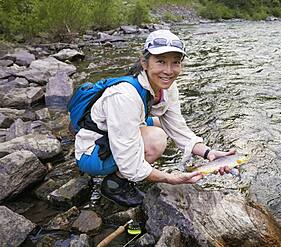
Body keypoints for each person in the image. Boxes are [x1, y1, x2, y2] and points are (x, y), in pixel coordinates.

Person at [74, 29, 235, 206]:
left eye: (175, 63)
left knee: (160, 123)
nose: (168, 71)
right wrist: (171, 178)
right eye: (160, 61)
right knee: (157, 138)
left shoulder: (167, 87)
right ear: (144, 63)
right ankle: (115, 184)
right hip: (91, 153)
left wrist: (208, 153)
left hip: (112, 133)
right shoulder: (124, 96)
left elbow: (177, 128)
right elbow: (130, 163)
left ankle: (124, 175)